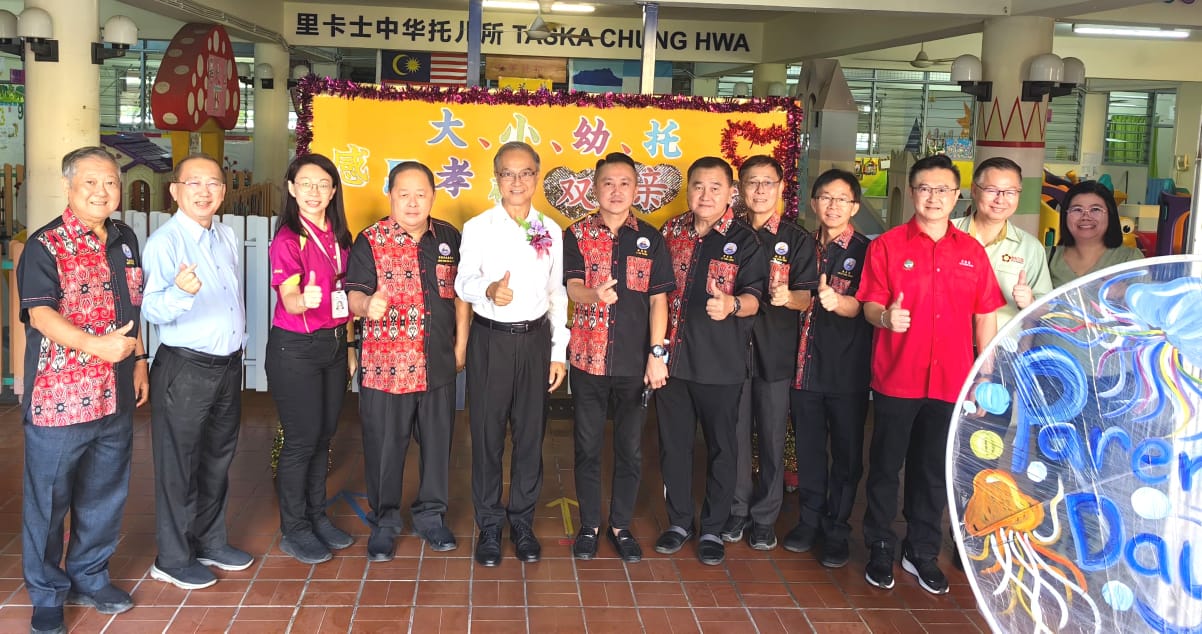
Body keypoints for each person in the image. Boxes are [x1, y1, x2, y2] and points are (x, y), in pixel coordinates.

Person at [856, 154, 1004, 594]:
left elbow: (985, 316)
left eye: (943, 190)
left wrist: (984, 374)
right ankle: (880, 544)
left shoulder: (972, 252)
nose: (934, 197)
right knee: (885, 466)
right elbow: (869, 304)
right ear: (911, 193)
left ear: (957, 195)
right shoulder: (887, 246)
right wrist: (885, 319)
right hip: (897, 377)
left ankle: (921, 551)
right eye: (925, 188)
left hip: (952, 381)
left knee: (932, 469)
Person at [17, 146, 149, 634]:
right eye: (90, 182)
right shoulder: (45, 245)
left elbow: (134, 307)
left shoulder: (126, 238)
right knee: (48, 502)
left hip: (114, 393)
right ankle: (47, 592)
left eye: (110, 182)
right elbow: (40, 314)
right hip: (60, 397)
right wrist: (96, 345)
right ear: (69, 187)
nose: (102, 191)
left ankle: (90, 575)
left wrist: (137, 361)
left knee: (105, 494)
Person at [346, 161, 471, 561]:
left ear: (433, 196)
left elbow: (462, 296)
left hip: (437, 361)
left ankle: (431, 516)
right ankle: (384, 522)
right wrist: (369, 303)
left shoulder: (450, 237)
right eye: (404, 194)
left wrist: (461, 347)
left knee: (437, 446)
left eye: (421, 194)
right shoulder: (370, 240)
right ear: (391, 197)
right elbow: (352, 296)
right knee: (384, 448)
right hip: (386, 368)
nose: (413, 202)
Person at [454, 141, 569, 567]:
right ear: (496, 178)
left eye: (525, 173)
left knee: (529, 435)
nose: (516, 181)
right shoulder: (479, 227)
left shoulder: (551, 230)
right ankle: (489, 525)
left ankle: (521, 522)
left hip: (536, 341)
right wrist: (487, 289)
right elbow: (461, 281)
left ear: (537, 177)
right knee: (486, 435)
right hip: (490, 340)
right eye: (507, 173)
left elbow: (558, 293)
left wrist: (558, 352)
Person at [142, 154, 251, 590]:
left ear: (223, 192)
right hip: (184, 368)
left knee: (216, 461)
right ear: (175, 190)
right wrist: (180, 294)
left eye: (213, 184)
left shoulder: (224, 235)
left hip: (225, 368)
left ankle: (209, 541)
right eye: (194, 184)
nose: (204, 191)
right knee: (178, 466)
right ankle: (171, 557)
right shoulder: (165, 243)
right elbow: (151, 308)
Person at [563, 153, 675, 563]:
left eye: (624, 183)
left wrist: (657, 353)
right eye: (608, 183)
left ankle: (620, 525)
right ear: (594, 188)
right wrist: (595, 295)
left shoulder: (651, 238)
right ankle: (590, 525)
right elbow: (573, 287)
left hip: (634, 363)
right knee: (587, 446)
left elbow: (659, 300)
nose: (615, 190)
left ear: (635, 189)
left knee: (630, 448)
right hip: (588, 360)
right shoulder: (574, 234)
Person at [655, 156, 766, 566]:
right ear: (688, 190)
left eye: (715, 187)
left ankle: (714, 528)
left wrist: (733, 303)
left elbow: (756, 296)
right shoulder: (671, 231)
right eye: (698, 186)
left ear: (730, 193)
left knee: (723, 448)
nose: (705, 195)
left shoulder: (745, 239)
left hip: (720, 364)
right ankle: (679, 522)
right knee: (674, 446)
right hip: (673, 362)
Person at [722, 155, 817, 551]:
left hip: (775, 352)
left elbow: (807, 298)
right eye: (751, 183)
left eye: (767, 183)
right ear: (740, 190)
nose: (759, 191)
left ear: (781, 187)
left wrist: (788, 296)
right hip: (729, 352)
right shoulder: (728, 234)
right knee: (736, 436)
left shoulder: (797, 239)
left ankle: (765, 518)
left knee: (773, 437)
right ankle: (738, 509)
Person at [265, 154, 355, 565]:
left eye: (323, 184)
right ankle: (294, 528)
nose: (315, 191)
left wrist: (349, 346)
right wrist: (303, 299)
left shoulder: (339, 234)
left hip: (334, 346)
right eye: (306, 183)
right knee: (301, 441)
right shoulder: (288, 238)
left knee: (323, 435)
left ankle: (318, 517)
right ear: (291, 188)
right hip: (295, 349)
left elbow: (346, 296)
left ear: (333, 190)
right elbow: (288, 295)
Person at [786, 168, 873, 569]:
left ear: (854, 205)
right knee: (808, 451)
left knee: (846, 454)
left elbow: (868, 305)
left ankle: (837, 529)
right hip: (802, 371)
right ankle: (809, 521)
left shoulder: (867, 251)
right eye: (825, 197)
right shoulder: (799, 245)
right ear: (813, 202)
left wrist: (840, 303)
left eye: (842, 199)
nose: (833, 205)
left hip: (845, 373)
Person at [951, 157, 1052, 329]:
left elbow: (1047, 310)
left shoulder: (1030, 247)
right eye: (992, 190)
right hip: (950, 346)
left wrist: (1030, 302)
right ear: (974, 190)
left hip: (1004, 350)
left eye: (1010, 192)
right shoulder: (947, 234)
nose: (1000, 199)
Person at [1048, 180, 1144, 288]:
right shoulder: (1047, 257)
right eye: (1077, 209)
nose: (1085, 216)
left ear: (1110, 214)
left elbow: (1148, 302)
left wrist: (1125, 295)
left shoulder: (1129, 258)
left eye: (1095, 209)